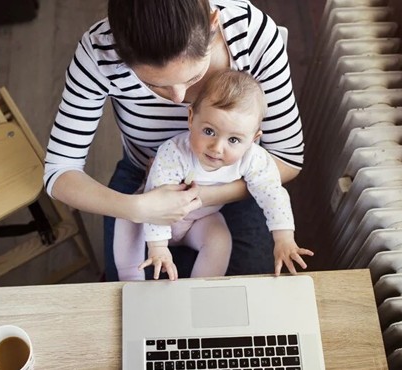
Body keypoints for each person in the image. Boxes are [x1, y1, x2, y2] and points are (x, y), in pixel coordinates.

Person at [44, 0, 304, 281]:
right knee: (129, 296)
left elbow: (287, 159)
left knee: (243, 300)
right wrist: (138, 207)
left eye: (194, 76)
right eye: (156, 85)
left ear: (213, 25)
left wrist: (201, 195)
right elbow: (59, 171)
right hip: (142, 181)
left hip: (235, 181)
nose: (180, 100)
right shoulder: (99, 53)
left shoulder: (252, 35)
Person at [114, 70, 312, 281]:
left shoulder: (254, 159)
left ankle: (202, 286)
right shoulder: (174, 152)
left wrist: (284, 238)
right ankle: (130, 280)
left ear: (254, 139)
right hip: (153, 214)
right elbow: (157, 199)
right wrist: (158, 247)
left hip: (200, 220)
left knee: (219, 239)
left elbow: (273, 194)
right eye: (209, 131)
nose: (217, 148)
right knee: (126, 219)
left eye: (234, 140)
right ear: (191, 118)